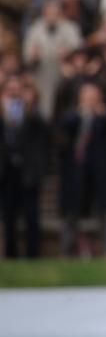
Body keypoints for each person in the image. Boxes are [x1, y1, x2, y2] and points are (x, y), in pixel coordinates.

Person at [58, 82, 106, 257]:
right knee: (71, 213)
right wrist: (81, 113)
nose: (90, 100)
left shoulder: (104, 115)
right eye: (87, 97)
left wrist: (102, 113)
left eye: (93, 97)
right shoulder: (73, 115)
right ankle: (68, 250)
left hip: (100, 172)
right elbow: (65, 127)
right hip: (77, 172)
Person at [0, 75, 48, 258]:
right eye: (9, 89)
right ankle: (10, 255)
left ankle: (33, 256)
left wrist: (30, 108)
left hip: (28, 171)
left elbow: (44, 131)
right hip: (7, 172)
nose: (14, 93)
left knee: (31, 216)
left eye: (17, 89)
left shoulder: (33, 112)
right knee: (9, 217)